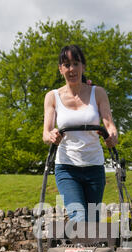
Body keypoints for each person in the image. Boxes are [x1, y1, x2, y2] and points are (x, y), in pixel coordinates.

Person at [43, 44, 118, 222]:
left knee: (93, 220)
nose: (72, 69)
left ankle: (88, 249)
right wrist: (51, 135)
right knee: (80, 218)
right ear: (60, 69)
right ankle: (79, 246)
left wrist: (112, 135)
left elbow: (109, 124)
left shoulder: (98, 93)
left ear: (83, 66)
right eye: (67, 65)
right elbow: (46, 133)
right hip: (67, 168)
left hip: (94, 166)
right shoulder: (52, 97)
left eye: (76, 63)